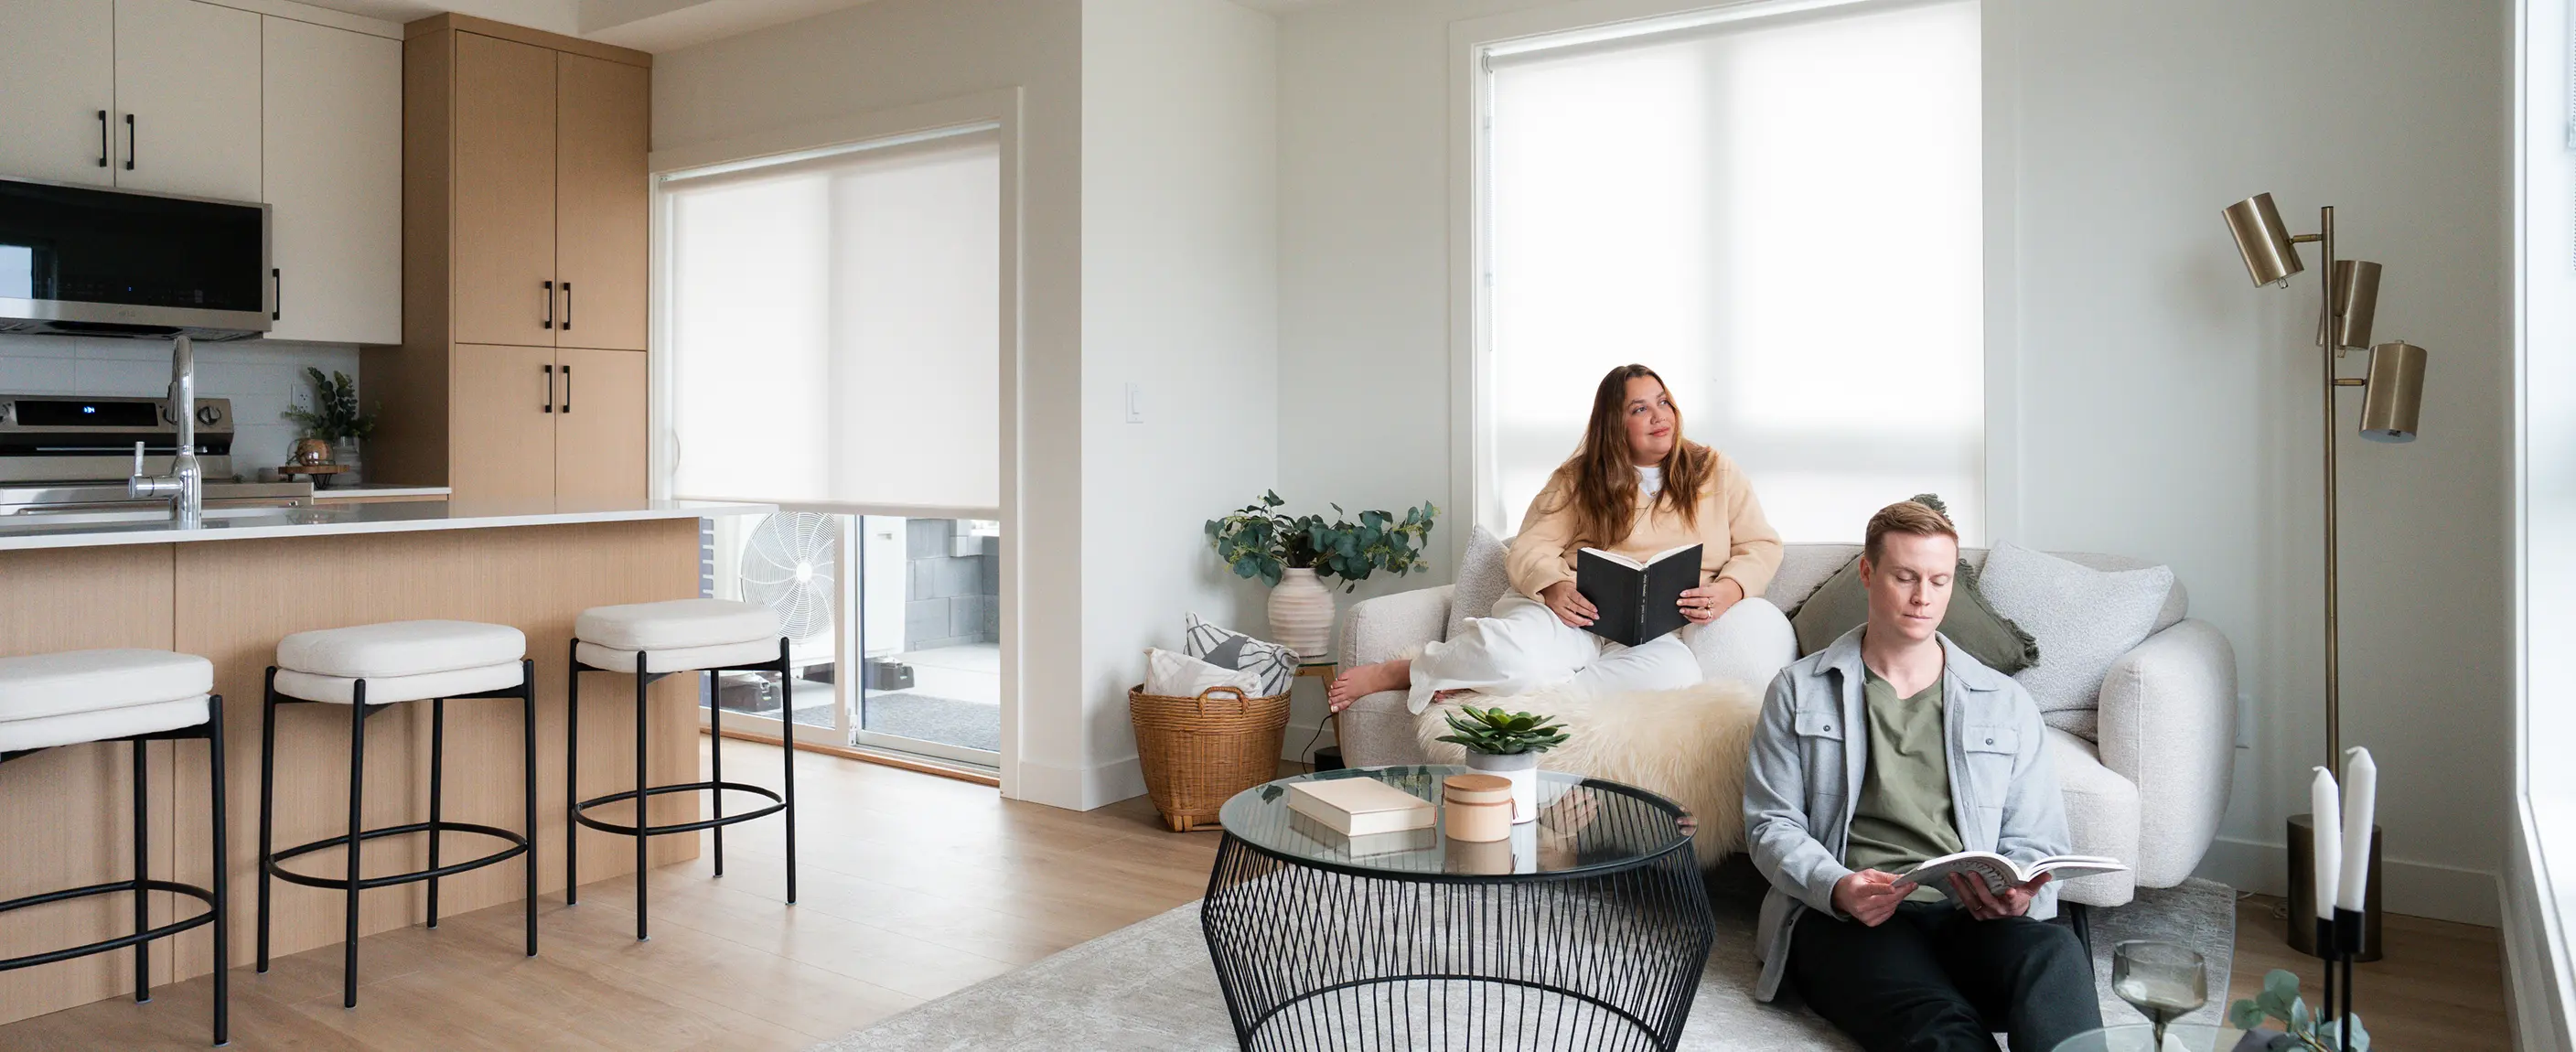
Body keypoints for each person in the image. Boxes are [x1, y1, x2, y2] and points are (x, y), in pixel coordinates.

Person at [1741, 499, 2100, 1051]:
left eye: (1939, 580)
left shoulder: (2004, 701)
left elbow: (2038, 837)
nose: (1922, 598)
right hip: (1850, 918)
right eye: (1905, 577)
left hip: (1967, 917)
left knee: (2057, 955)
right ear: (1868, 573)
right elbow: (1770, 825)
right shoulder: (1798, 689)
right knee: (1941, 1026)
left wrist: (2018, 897)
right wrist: (1837, 887)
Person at [1326, 363, 1785, 714]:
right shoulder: (1579, 478)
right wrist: (1554, 586)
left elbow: (1760, 545)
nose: (1658, 416)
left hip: (1653, 633)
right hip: (1572, 616)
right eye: (1639, 409)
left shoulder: (1714, 470)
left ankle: (1509, 691)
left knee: (1677, 676)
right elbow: (1530, 546)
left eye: (1662, 402)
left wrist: (1731, 588)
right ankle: (1409, 670)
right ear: (1615, 424)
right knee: (1507, 655)